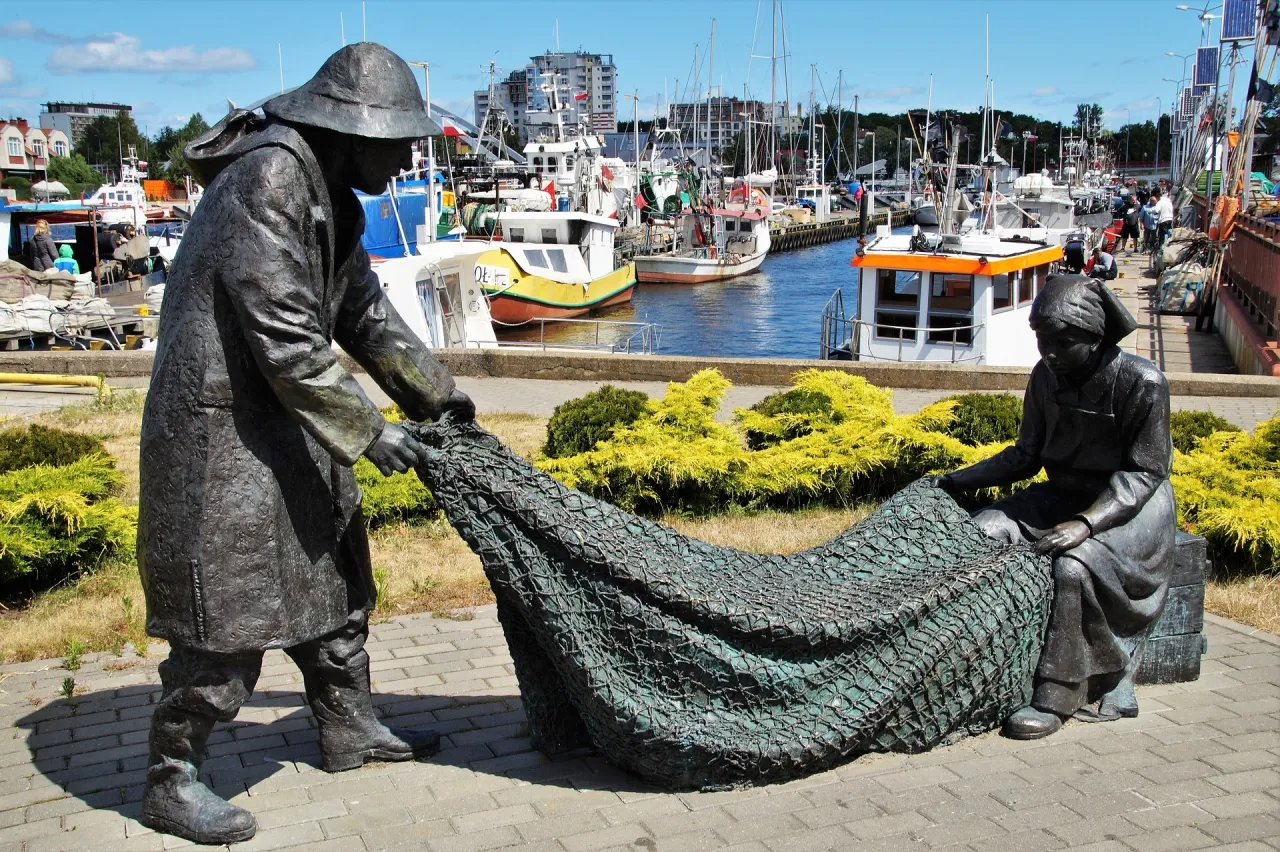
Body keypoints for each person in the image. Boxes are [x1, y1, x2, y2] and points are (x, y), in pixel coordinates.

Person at [136, 43, 475, 845]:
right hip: (218, 435)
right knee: (229, 621)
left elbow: (365, 315)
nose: (405, 155)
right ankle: (170, 777)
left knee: (333, 584)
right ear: (349, 130)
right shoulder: (268, 180)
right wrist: (369, 432)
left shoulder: (335, 197)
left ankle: (349, 728)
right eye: (396, 141)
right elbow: (286, 335)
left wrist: (439, 398)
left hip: (286, 423)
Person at [931, 274, 1173, 740]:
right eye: (1043, 341)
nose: (1050, 353)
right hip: (1062, 493)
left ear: (1096, 339)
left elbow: (1144, 474)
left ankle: (1057, 695)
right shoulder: (1045, 378)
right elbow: (1025, 455)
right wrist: (954, 481)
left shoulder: (1142, 383)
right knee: (983, 531)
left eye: (1064, 343)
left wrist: (1084, 524)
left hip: (1133, 509)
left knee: (1073, 568)